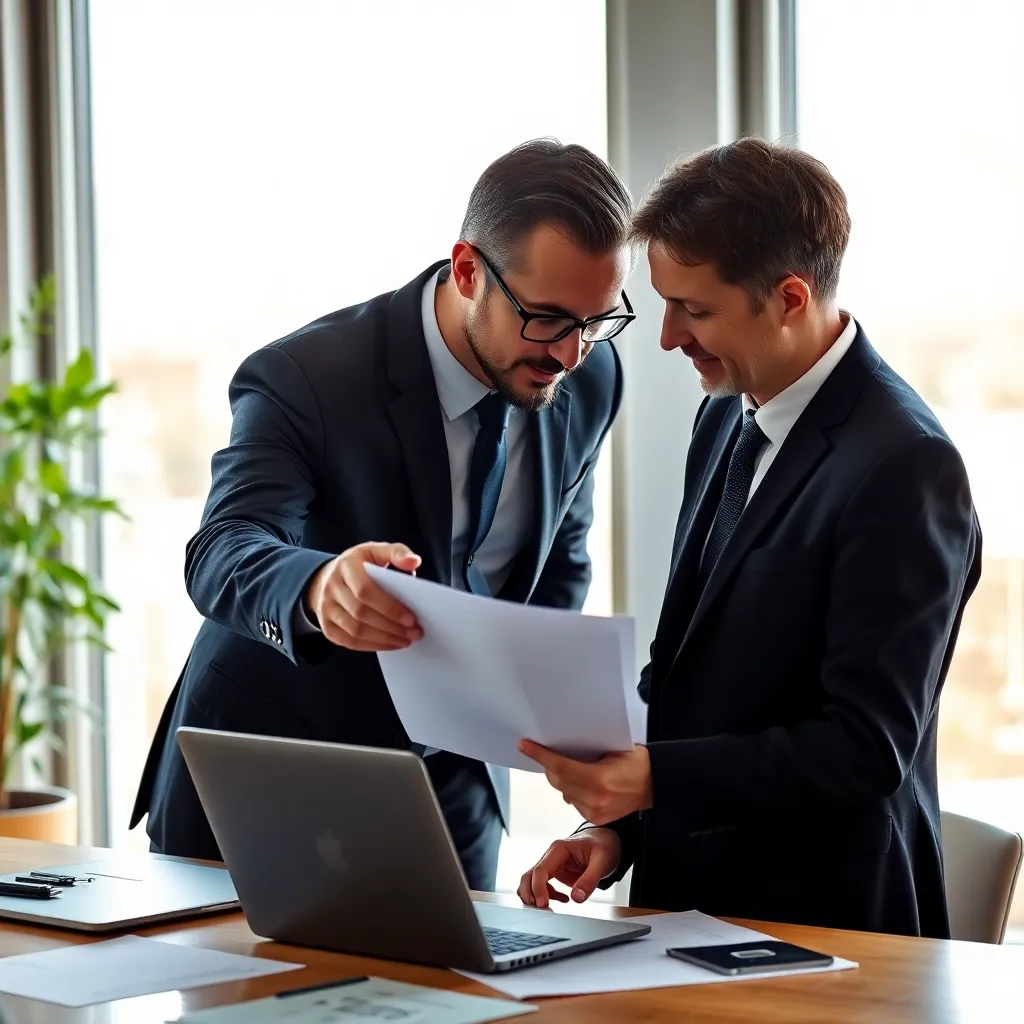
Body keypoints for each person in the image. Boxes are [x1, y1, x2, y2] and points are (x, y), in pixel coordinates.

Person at [131, 139, 635, 891]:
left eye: (596, 322)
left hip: (455, 790)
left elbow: (559, 559)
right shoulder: (308, 375)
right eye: (546, 319)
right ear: (468, 271)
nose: (570, 353)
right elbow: (221, 549)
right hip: (272, 772)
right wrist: (318, 587)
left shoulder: (592, 380)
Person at [516, 137, 981, 937]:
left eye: (695, 310)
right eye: (664, 304)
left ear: (791, 297)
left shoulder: (905, 465)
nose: (668, 337)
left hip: (827, 930)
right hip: (687, 910)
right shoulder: (725, 417)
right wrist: (615, 832)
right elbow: (691, 681)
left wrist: (654, 779)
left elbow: (865, 748)